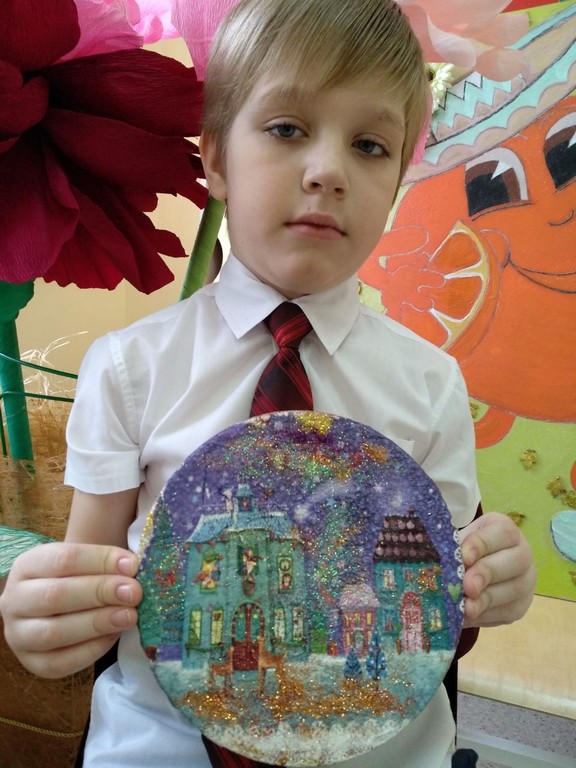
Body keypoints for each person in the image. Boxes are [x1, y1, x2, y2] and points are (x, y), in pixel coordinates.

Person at [0, 1, 536, 766]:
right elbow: (89, 587)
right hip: (162, 744)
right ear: (217, 159)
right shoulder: (129, 369)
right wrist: (48, 619)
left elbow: (439, 600)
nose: (328, 171)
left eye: (371, 145)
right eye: (287, 129)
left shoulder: (432, 384)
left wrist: (491, 583)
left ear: (396, 180)